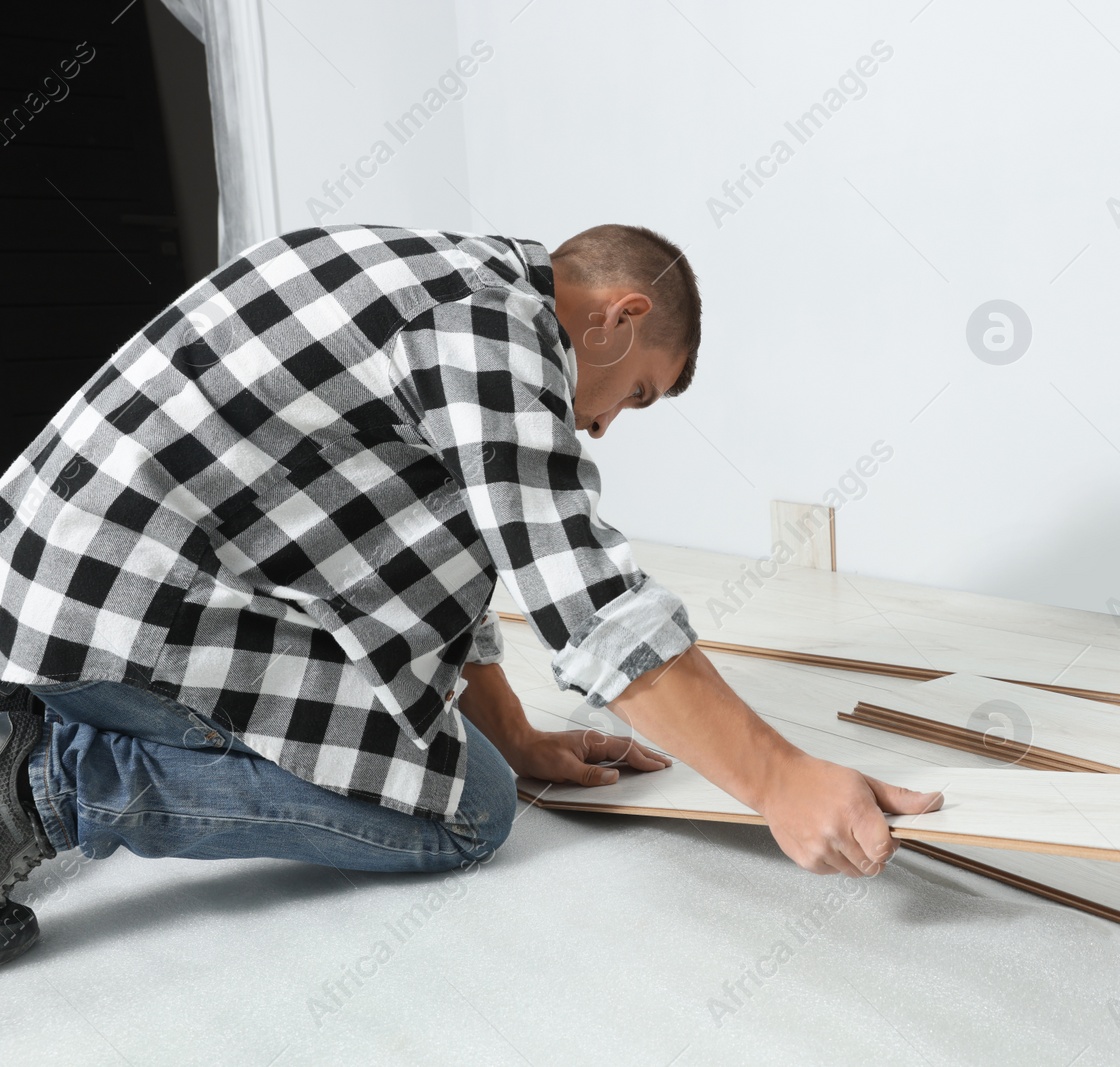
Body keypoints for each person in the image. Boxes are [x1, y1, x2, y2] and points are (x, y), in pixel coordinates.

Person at [0, 223, 942, 965]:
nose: (609, 426)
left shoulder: (446, 283)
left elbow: (428, 561)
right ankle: (40, 780)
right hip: (106, 622)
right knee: (467, 812)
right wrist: (780, 781)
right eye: (639, 393)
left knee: (487, 765)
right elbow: (582, 592)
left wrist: (518, 732)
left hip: (63, 589)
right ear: (615, 315)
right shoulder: (491, 332)